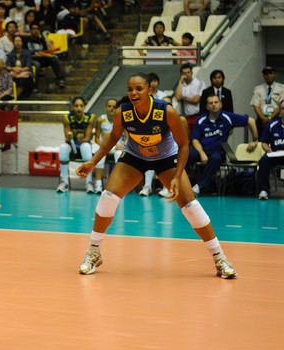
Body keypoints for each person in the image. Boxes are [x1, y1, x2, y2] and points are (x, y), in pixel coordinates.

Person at [75, 73, 236, 279]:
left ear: (149, 91)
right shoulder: (123, 112)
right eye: (130, 89)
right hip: (135, 156)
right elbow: (113, 137)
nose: (134, 93)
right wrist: (92, 161)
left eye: (139, 89)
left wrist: (177, 176)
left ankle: (220, 258)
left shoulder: (166, 111)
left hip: (165, 158)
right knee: (108, 197)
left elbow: (183, 145)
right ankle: (94, 252)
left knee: (190, 206)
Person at [189, 94, 259, 195]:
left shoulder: (228, 117)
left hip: (217, 151)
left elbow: (251, 121)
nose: (214, 105)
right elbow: (195, 140)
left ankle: (199, 186)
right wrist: (201, 153)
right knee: (188, 154)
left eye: (216, 102)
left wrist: (255, 140)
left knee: (216, 158)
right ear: (207, 107)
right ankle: (179, 183)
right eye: (211, 103)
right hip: (201, 150)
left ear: (220, 104)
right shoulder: (201, 120)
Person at [56, 96, 96, 193]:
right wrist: (70, 137)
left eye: (81, 106)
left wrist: (82, 139)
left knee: (86, 147)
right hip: (72, 146)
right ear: (72, 107)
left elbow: (88, 138)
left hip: (83, 145)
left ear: (84, 107)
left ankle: (89, 183)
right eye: (76, 106)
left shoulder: (90, 117)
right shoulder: (67, 118)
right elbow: (66, 140)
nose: (79, 108)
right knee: (63, 148)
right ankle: (64, 182)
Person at [256, 99, 284, 200]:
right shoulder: (272, 125)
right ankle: (263, 190)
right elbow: (264, 143)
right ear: (279, 111)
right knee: (264, 160)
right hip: (275, 155)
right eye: (283, 108)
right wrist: (269, 150)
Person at [93, 98, 123, 191]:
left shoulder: (122, 120)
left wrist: (122, 145)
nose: (111, 108)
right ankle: (98, 184)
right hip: (105, 146)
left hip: (117, 147)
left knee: (119, 155)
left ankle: (117, 184)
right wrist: (104, 146)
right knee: (99, 154)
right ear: (105, 108)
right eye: (109, 106)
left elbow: (127, 138)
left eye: (114, 106)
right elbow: (96, 138)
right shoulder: (100, 120)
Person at [250, 66, 284, 137]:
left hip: (276, 119)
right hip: (261, 120)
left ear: (275, 75)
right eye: (266, 74)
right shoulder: (258, 89)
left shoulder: (281, 88)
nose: (268, 76)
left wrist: (270, 118)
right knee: (261, 140)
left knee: (276, 139)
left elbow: (281, 106)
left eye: (270, 73)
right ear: (263, 76)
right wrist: (263, 118)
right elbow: (256, 106)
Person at [174, 63, 205, 137]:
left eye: (188, 72)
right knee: (188, 138)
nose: (187, 75)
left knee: (198, 137)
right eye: (184, 73)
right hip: (187, 117)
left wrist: (183, 98)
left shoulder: (199, 83)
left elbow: (196, 100)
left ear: (192, 73)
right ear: (181, 74)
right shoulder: (181, 85)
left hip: (198, 115)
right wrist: (180, 82)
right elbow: (178, 97)